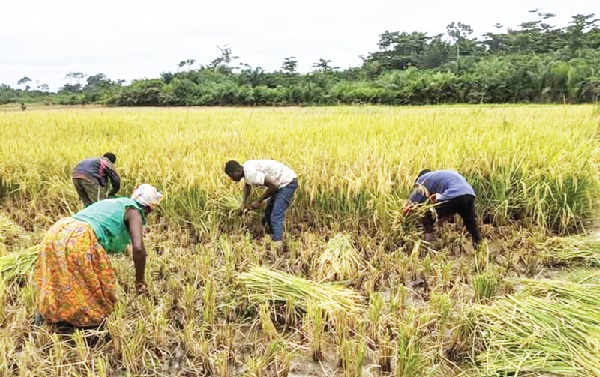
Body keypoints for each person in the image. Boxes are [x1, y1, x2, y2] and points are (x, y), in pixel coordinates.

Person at [34, 184, 163, 330]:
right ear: (150, 207)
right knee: (93, 284)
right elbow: (139, 249)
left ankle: (44, 316)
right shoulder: (134, 212)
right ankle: (92, 326)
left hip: (58, 231)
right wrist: (140, 280)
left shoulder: (116, 202)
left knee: (56, 277)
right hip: (80, 237)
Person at [225, 159, 298, 252]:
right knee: (268, 212)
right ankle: (271, 236)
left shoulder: (251, 174)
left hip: (287, 182)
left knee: (275, 215)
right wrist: (244, 203)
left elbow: (274, 186)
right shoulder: (246, 168)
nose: (232, 179)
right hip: (280, 183)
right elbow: (247, 186)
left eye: (232, 176)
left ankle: (277, 245)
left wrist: (259, 201)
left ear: (238, 171)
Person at [404, 169, 482, 246]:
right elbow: (451, 207)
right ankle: (479, 247)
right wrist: (439, 219)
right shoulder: (441, 176)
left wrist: (403, 219)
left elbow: (411, 204)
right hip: (470, 194)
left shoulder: (423, 179)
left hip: (455, 196)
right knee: (471, 224)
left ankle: (429, 245)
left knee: (427, 215)